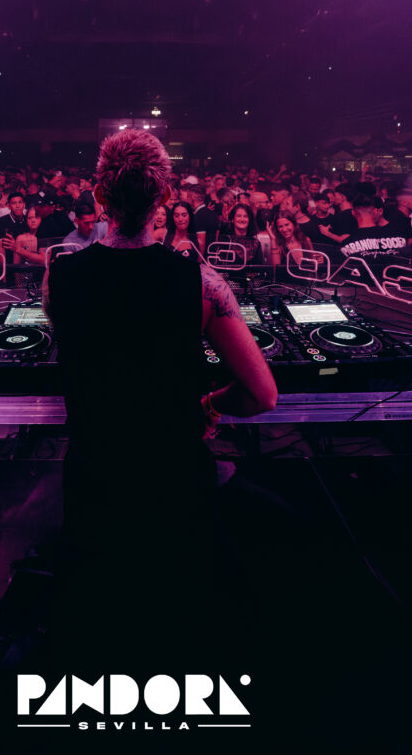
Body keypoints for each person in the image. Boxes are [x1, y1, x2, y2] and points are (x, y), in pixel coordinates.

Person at [45, 127, 277, 664]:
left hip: (95, 472)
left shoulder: (60, 276)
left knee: (99, 622)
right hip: (175, 474)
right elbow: (262, 395)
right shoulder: (200, 281)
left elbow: (86, 356)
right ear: (167, 196)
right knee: (179, 619)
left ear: (98, 195)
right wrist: (211, 404)